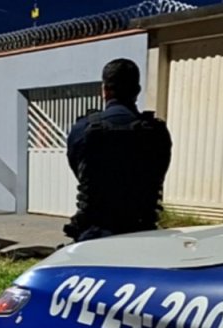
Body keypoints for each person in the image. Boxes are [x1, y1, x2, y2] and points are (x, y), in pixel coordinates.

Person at [64, 58, 172, 242]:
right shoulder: (157, 132)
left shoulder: (84, 129)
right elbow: (159, 171)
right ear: (137, 91)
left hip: (94, 234)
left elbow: (78, 169)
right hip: (142, 233)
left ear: (104, 91)